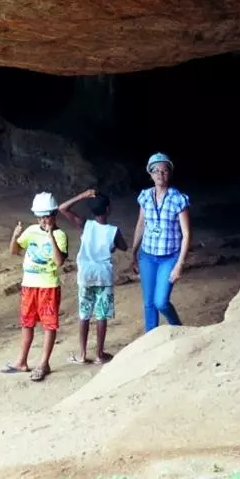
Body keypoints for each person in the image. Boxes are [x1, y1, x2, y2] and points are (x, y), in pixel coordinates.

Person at [1, 192, 69, 382]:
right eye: (40, 216)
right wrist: (14, 237)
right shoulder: (31, 231)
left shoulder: (60, 235)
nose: (43, 220)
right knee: (27, 323)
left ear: (55, 215)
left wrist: (51, 237)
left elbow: (59, 262)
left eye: (47, 216)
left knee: (49, 324)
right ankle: (21, 361)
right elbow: (14, 251)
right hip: (29, 285)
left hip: (48, 286)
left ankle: (44, 363)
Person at [58, 189, 128, 364]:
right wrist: (111, 247)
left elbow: (63, 208)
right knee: (101, 315)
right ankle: (99, 354)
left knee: (84, 314)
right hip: (103, 275)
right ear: (108, 209)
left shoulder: (85, 225)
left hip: (86, 275)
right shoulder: (114, 231)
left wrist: (82, 196)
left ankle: (82, 354)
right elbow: (124, 247)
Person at [131, 153, 192, 332]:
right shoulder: (144, 197)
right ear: (150, 174)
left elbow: (187, 233)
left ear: (170, 174)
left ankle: (178, 327)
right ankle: (151, 338)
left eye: (164, 171)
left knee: (161, 301)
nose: (160, 174)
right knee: (149, 302)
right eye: (156, 171)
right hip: (147, 256)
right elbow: (141, 224)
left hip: (169, 257)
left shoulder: (178, 199)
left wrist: (179, 264)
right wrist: (134, 252)